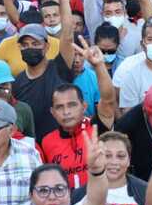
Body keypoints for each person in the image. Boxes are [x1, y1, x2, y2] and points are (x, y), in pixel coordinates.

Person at [40, 39, 115, 188]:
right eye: (60, 107)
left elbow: (108, 100)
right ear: (52, 112)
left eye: (72, 105)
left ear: (84, 106)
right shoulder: (47, 142)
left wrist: (99, 65)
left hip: (100, 198)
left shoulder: (97, 129)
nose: (66, 112)